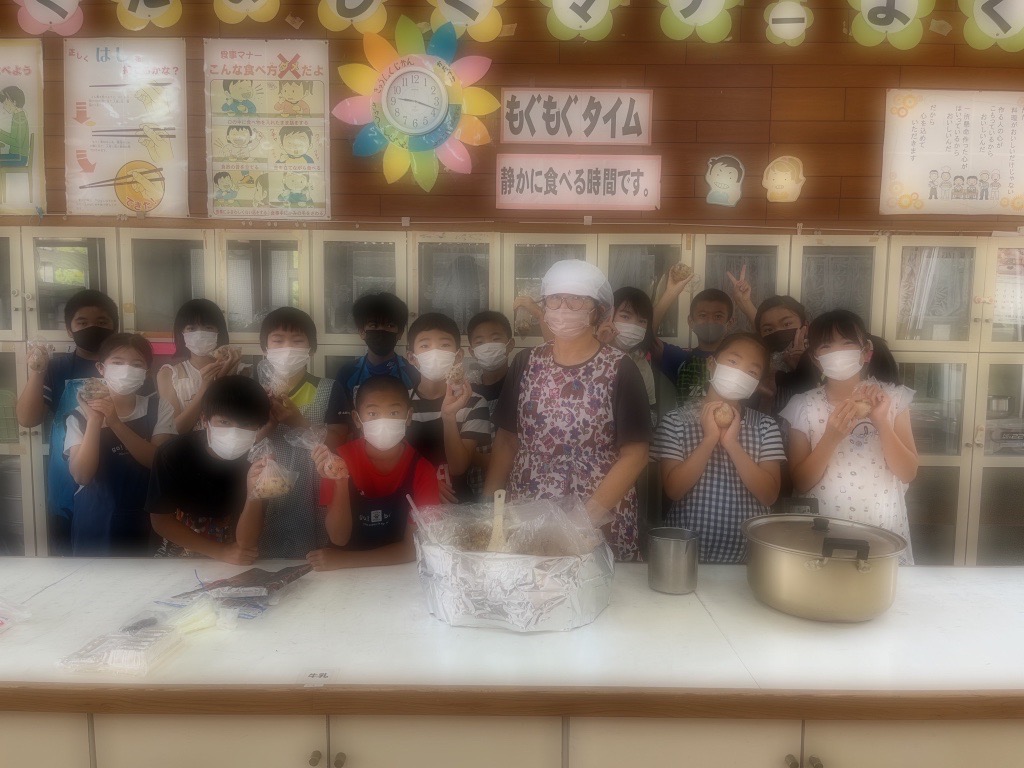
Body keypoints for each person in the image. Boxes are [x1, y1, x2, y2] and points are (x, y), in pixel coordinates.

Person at [485, 260, 652, 562]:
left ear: (597, 310)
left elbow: (636, 455)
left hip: (598, 512)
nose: (563, 307)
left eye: (576, 299)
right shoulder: (526, 362)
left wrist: (584, 519)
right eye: (554, 299)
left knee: (596, 584)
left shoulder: (620, 368)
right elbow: (506, 441)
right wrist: (488, 508)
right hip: (530, 507)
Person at [780, 311, 919, 563]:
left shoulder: (893, 400)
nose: (837, 351)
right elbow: (801, 482)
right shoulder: (804, 406)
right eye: (826, 346)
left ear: (866, 352)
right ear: (815, 359)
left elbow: (908, 472)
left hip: (882, 526)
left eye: (847, 343)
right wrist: (831, 437)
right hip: (824, 530)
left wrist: (882, 423)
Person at [652, 333, 784, 564]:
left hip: (746, 557)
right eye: (733, 362)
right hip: (687, 555)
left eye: (752, 371)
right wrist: (709, 439)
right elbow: (674, 490)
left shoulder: (765, 426)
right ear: (711, 364)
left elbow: (769, 495)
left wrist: (732, 444)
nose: (740, 373)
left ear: (756, 385)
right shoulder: (675, 421)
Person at [17, 289, 119, 553]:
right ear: (69, 329)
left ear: (114, 327)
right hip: (67, 477)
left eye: (102, 322)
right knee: (67, 559)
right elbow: (27, 419)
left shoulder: (125, 368)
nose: (92, 328)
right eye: (82, 322)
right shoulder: (58, 367)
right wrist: (37, 372)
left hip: (116, 475)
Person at [308, 376, 440, 571]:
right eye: (372, 413)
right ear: (357, 419)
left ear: (408, 416)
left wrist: (345, 561)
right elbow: (339, 537)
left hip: (398, 574)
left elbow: (413, 548)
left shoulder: (423, 470)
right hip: (346, 579)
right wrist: (341, 481)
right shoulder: (337, 463)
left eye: (394, 412)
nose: (383, 421)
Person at [65, 334, 176, 556]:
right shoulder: (78, 416)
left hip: (148, 521)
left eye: (137, 364)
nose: (126, 370)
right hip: (95, 523)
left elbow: (157, 462)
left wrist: (115, 422)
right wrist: (95, 420)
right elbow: (82, 476)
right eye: (117, 362)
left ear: (147, 372)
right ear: (101, 368)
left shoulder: (159, 408)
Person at [149, 376, 271, 563]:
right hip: (179, 556)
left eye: (246, 425)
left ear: (259, 427)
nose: (234, 433)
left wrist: (253, 492)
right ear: (205, 419)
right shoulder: (173, 453)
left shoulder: (257, 462)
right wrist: (220, 552)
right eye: (224, 422)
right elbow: (161, 521)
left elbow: (247, 542)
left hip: (233, 555)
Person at [254, 307, 344, 558]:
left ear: (311, 349)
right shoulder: (252, 392)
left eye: (297, 341)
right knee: (266, 558)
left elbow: (340, 441)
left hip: (315, 491)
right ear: (264, 348)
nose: (287, 348)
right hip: (266, 490)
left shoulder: (329, 389)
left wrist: (299, 422)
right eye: (278, 340)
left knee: (314, 561)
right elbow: (237, 444)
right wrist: (266, 428)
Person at [405, 312, 491, 503]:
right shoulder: (401, 403)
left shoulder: (474, 402)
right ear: (412, 357)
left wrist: (449, 416)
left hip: (458, 506)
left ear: (458, 356)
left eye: (444, 345)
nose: (435, 352)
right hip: (412, 503)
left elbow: (459, 467)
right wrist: (426, 480)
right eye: (425, 345)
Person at [328, 292, 419, 441]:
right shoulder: (347, 373)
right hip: (357, 451)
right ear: (362, 332)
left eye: (390, 325)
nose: (381, 331)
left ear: (400, 333)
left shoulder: (412, 372)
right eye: (373, 325)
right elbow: (340, 425)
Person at [157, 299, 245, 434]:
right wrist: (207, 385)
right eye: (191, 328)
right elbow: (174, 429)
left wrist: (226, 378)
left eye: (208, 327)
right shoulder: (168, 374)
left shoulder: (239, 369)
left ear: (219, 332)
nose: (200, 334)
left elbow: (240, 421)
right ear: (182, 333)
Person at [652, 266, 734, 408]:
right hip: (683, 423)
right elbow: (646, 336)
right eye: (703, 315)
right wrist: (671, 293)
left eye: (718, 316)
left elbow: (765, 351)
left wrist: (745, 303)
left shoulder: (737, 362)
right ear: (691, 322)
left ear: (730, 323)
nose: (710, 321)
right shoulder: (679, 359)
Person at [465, 310, 515, 498]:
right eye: (480, 342)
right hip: (474, 487)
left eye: (495, 339)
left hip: (516, 487)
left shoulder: (523, 385)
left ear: (510, 345)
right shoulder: (467, 392)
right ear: (472, 351)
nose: (488, 346)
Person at [600, 287, 657, 421]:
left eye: (642, 321)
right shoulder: (589, 351)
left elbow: (649, 411)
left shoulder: (641, 364)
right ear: (609, 315)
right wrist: (601, 349)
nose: (633, 326)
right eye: (625, 316)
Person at [0, 86, 30, 167]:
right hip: (16, 157)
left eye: (6, 103)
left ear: (14, 102)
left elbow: (18, 142)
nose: (4, 106)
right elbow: (13, 137)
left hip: (19, 158)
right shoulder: (17, 116)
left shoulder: (20, 119)